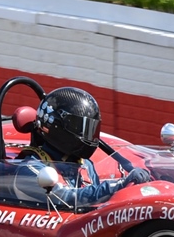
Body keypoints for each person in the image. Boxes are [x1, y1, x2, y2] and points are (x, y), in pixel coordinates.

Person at [13, 87, 150, 207]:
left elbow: (97, 203)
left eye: (91, 129)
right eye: (81, 129)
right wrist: (119, 185)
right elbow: (67, 198)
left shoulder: (85, 164)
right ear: (58, 127)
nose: (88, 136)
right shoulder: (29, 169)